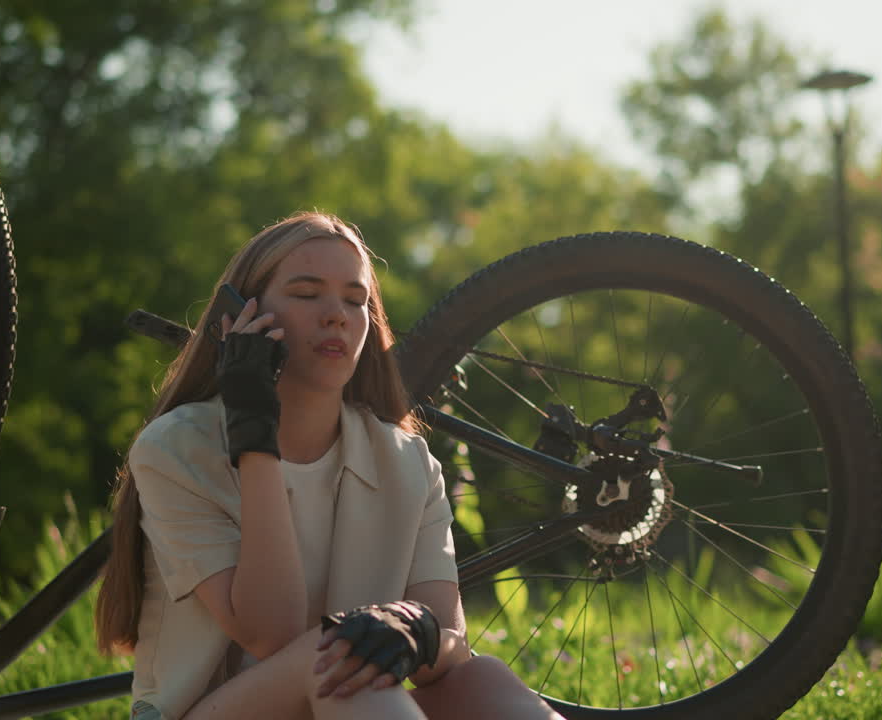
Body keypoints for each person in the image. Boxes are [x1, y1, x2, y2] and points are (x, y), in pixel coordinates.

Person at [94, 212, 565, 720]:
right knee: (341, 661)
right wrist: (254, 429)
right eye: (305, 293)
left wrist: (414, 629)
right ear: (239, 318)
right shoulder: (176, 447)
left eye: (355, 300)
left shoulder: (407, 462)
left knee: (480, 678)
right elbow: (271, 632)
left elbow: (450, 650)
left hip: (347, 701)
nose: (336, 314)